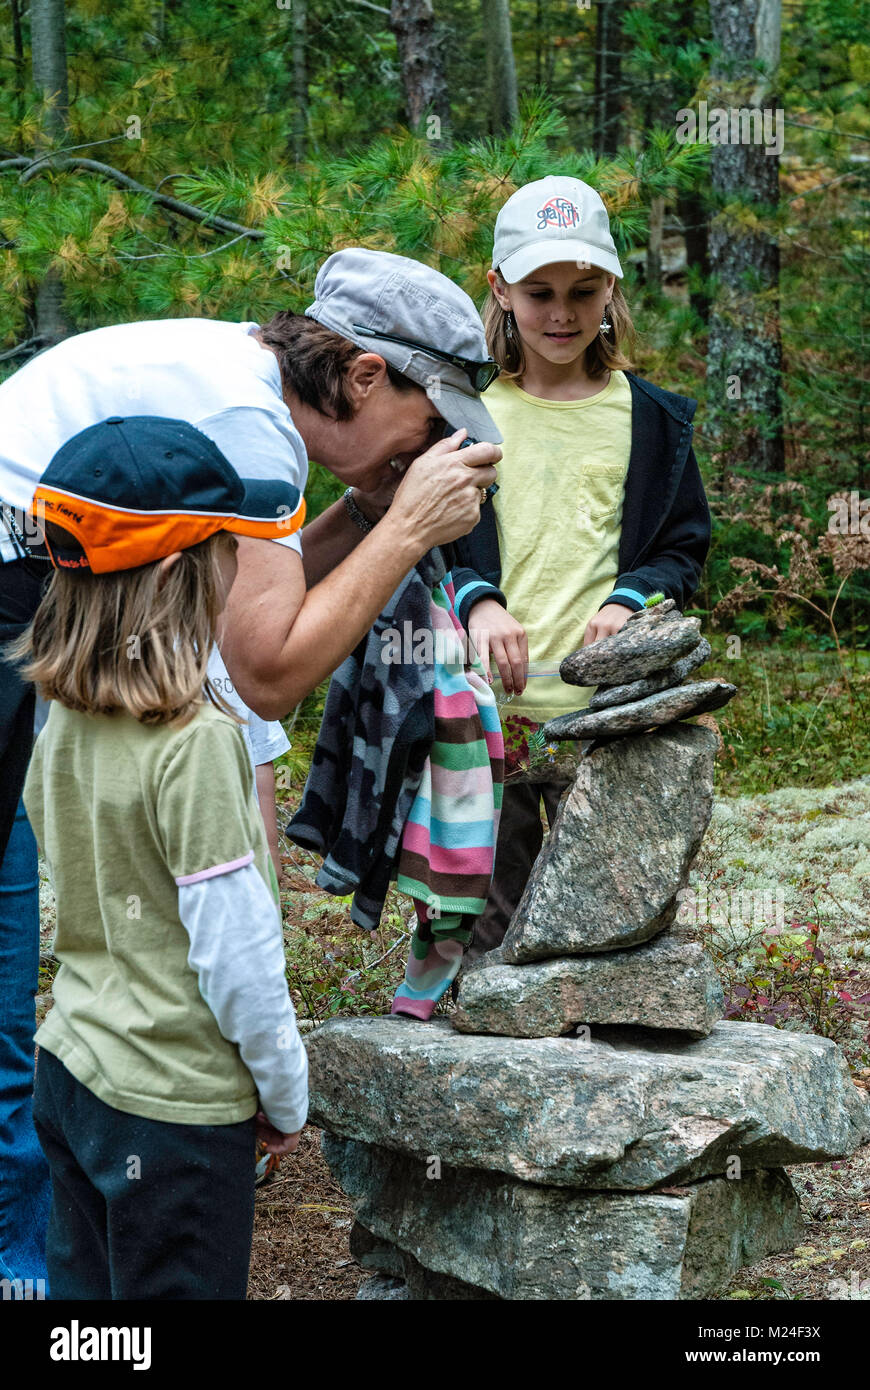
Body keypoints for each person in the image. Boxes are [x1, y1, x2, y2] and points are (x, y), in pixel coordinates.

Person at [0, 246, 502, 1284]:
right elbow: (264, 671)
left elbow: (236, 617)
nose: (437, 444)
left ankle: (40, 1256)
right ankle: (18, 1250)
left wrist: (369, 514)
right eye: (433, 415)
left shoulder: (232, 380)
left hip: (42, 601)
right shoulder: (252, 430)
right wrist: (403, 529)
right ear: (365, 376)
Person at [13, 416, 310, 1300]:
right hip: (171, 1114)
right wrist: (285, 1093)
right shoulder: (195, 744)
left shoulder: (61, 717)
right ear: (190, 571)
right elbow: (238, 954)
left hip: (70, 1072)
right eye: (229, 544)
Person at [450, 176, 712, 963]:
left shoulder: (653, 419)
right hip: (493, 717)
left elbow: (684, 545)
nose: (562, 314)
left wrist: (634, 600)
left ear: (611, 288)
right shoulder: (466, 413)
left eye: (582, 289)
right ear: (499, 289)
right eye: (539, 293)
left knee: (604, 927)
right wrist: (479, 602)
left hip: (608, 724)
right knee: (487, 932)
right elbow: (432, 539)